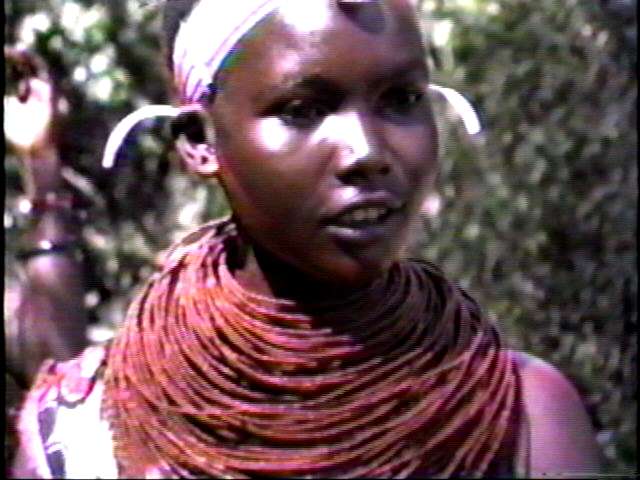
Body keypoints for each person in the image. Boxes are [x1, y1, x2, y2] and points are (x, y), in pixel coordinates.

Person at [9, 0, 603, 478]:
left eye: (401, 101)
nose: (367, 153)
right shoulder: (88, 432)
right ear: (199, 142)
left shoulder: (520, 416)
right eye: (302, 109)